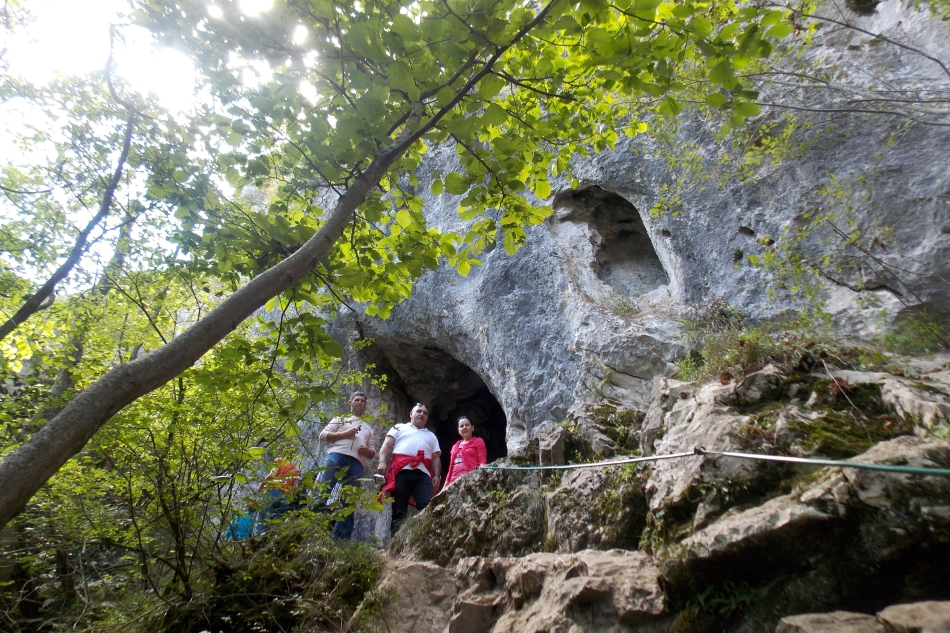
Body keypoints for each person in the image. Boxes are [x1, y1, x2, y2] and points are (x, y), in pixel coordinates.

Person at [313, 391, 376, 539]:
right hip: (336, 456)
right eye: (357, 400)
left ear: (365, 405)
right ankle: (312, 530)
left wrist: (366, 451)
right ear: (350, 403)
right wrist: (345, 434)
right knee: (322, 490)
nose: (360, 402)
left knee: (349, 501)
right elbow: (322, 437)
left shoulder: (368, 428)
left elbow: (372, 452)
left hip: (357, 463)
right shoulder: (339, 419)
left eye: (362, 401)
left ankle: (340, 540)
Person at [376, 403, 441, 536]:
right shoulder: (399, 427)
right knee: (398, 509)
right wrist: (382, 461)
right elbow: (386, 446)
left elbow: (435, 458)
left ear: (427, 418)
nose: (421, 414)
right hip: (401, 472)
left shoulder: (431, 436)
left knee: (428, 505)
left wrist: (437, 475)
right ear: (411, 414)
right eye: (418, 411)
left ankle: (428, 538)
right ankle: (395, 543)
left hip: (422, 474)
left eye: (425, 413)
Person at [443, 416, 487, 487]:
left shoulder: (478, 441)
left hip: (470, 479)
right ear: (458, 430)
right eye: (461, 426)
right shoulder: (455, 446)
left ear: (472, 428)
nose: (464, 427)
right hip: (453, 482)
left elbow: (482, 462)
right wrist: (445, 487)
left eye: (467, 425)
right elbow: (451, 468)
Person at [257, 457, 301, 523]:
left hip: (274, 491)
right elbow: (294, 489)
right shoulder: (295, 471)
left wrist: (262, 485)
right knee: (277, 522)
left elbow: (272, 475)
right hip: (285, 498)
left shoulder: (280, 461)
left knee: (263, 517)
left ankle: (259, 532)